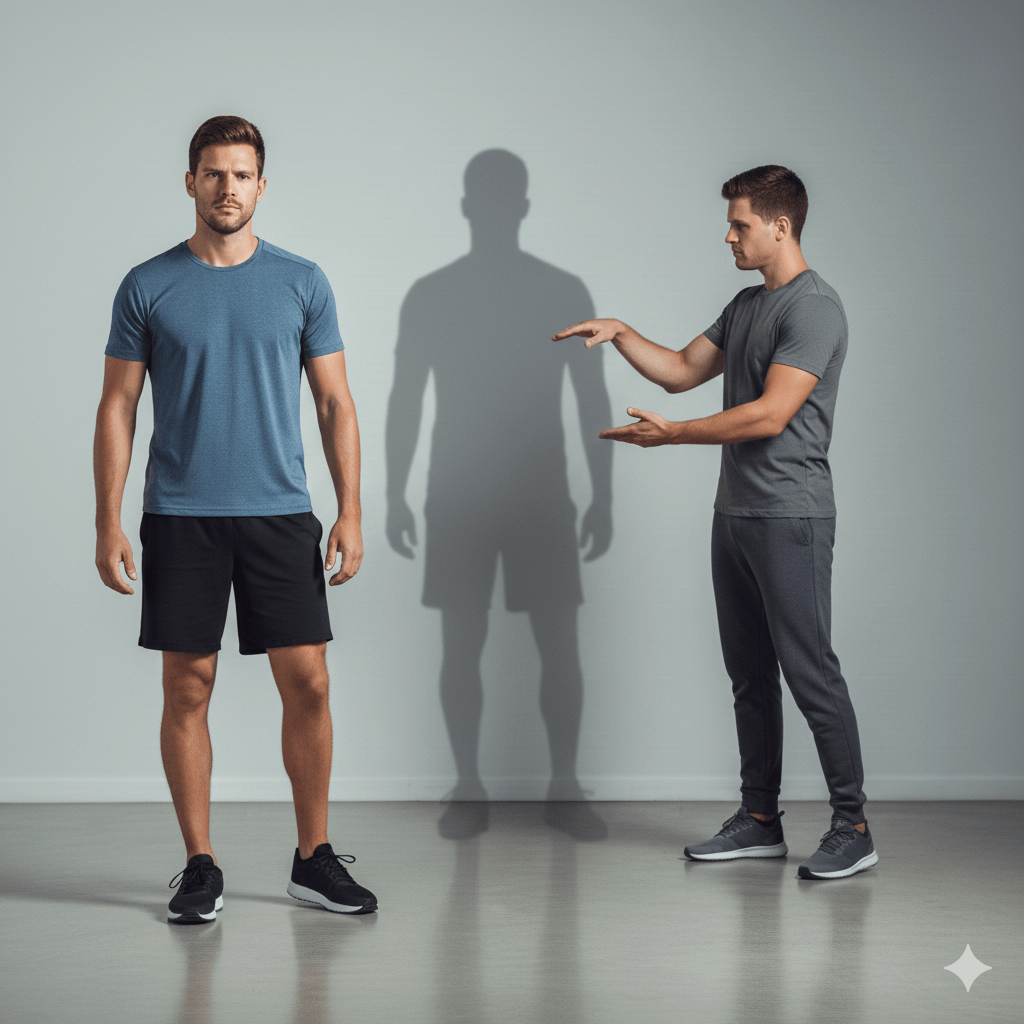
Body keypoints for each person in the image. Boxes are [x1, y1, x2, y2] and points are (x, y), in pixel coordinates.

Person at [553, 165, 877, 879]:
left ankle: (852, 825)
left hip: (791, 515)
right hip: (733, 514)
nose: (728, 235)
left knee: (809, 672)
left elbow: (770, 413)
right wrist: (622, 334)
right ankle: (760, 818)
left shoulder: (814, 309)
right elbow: (675, 370)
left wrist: (674, 437)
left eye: (740, 224)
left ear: (780, 226)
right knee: (749, 675)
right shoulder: (743, 305)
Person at [93, 115, 378, 921]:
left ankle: (313, 859)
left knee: (310, 684)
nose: (227, 188)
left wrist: (350, 510)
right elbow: (118, 405)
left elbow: (335, 402)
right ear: (190, 182)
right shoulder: (147, 283)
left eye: (242, 174)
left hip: (280, 511)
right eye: (213, 174)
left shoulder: (302, 281)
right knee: (189, 685)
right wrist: (107, 520)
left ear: (262, 185)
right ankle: (199, 865)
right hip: (180, 515)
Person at [385, 150, 613, 841]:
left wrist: (603, 494)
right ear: (512, 207)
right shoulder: (442, 293)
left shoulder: (557, 291)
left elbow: (591, 397)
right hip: (463, 489)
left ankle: (561, 785)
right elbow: (406, 399)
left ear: (498, 209)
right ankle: (471, 785)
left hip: (530, 489)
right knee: (468, 644)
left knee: (550, 646)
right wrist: (392, 494)